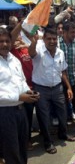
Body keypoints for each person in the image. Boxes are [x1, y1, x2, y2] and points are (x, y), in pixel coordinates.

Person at [28, 28, 75, 154]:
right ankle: (48, 142)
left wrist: (69, 88)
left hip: (57, 88)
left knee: (63, 112)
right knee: (43, 117)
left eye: (54, 39)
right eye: (48, 38)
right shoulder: (39, 51)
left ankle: (63, 134)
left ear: (57, 39)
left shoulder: (60, 53)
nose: (52, 41)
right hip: (40, 89)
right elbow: (31, 53)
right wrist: (33, 42)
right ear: (44, 39)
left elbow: (63, 71)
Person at [0, 27, 39, 164]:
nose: (4, 44)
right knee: (11, 150)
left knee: (23, 146)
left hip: (20, 111)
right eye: (1, 41)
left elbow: (21, 81)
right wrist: (19, 97)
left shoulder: (14, 60)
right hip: (4, 113)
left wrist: (28, 92)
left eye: (7, 41)